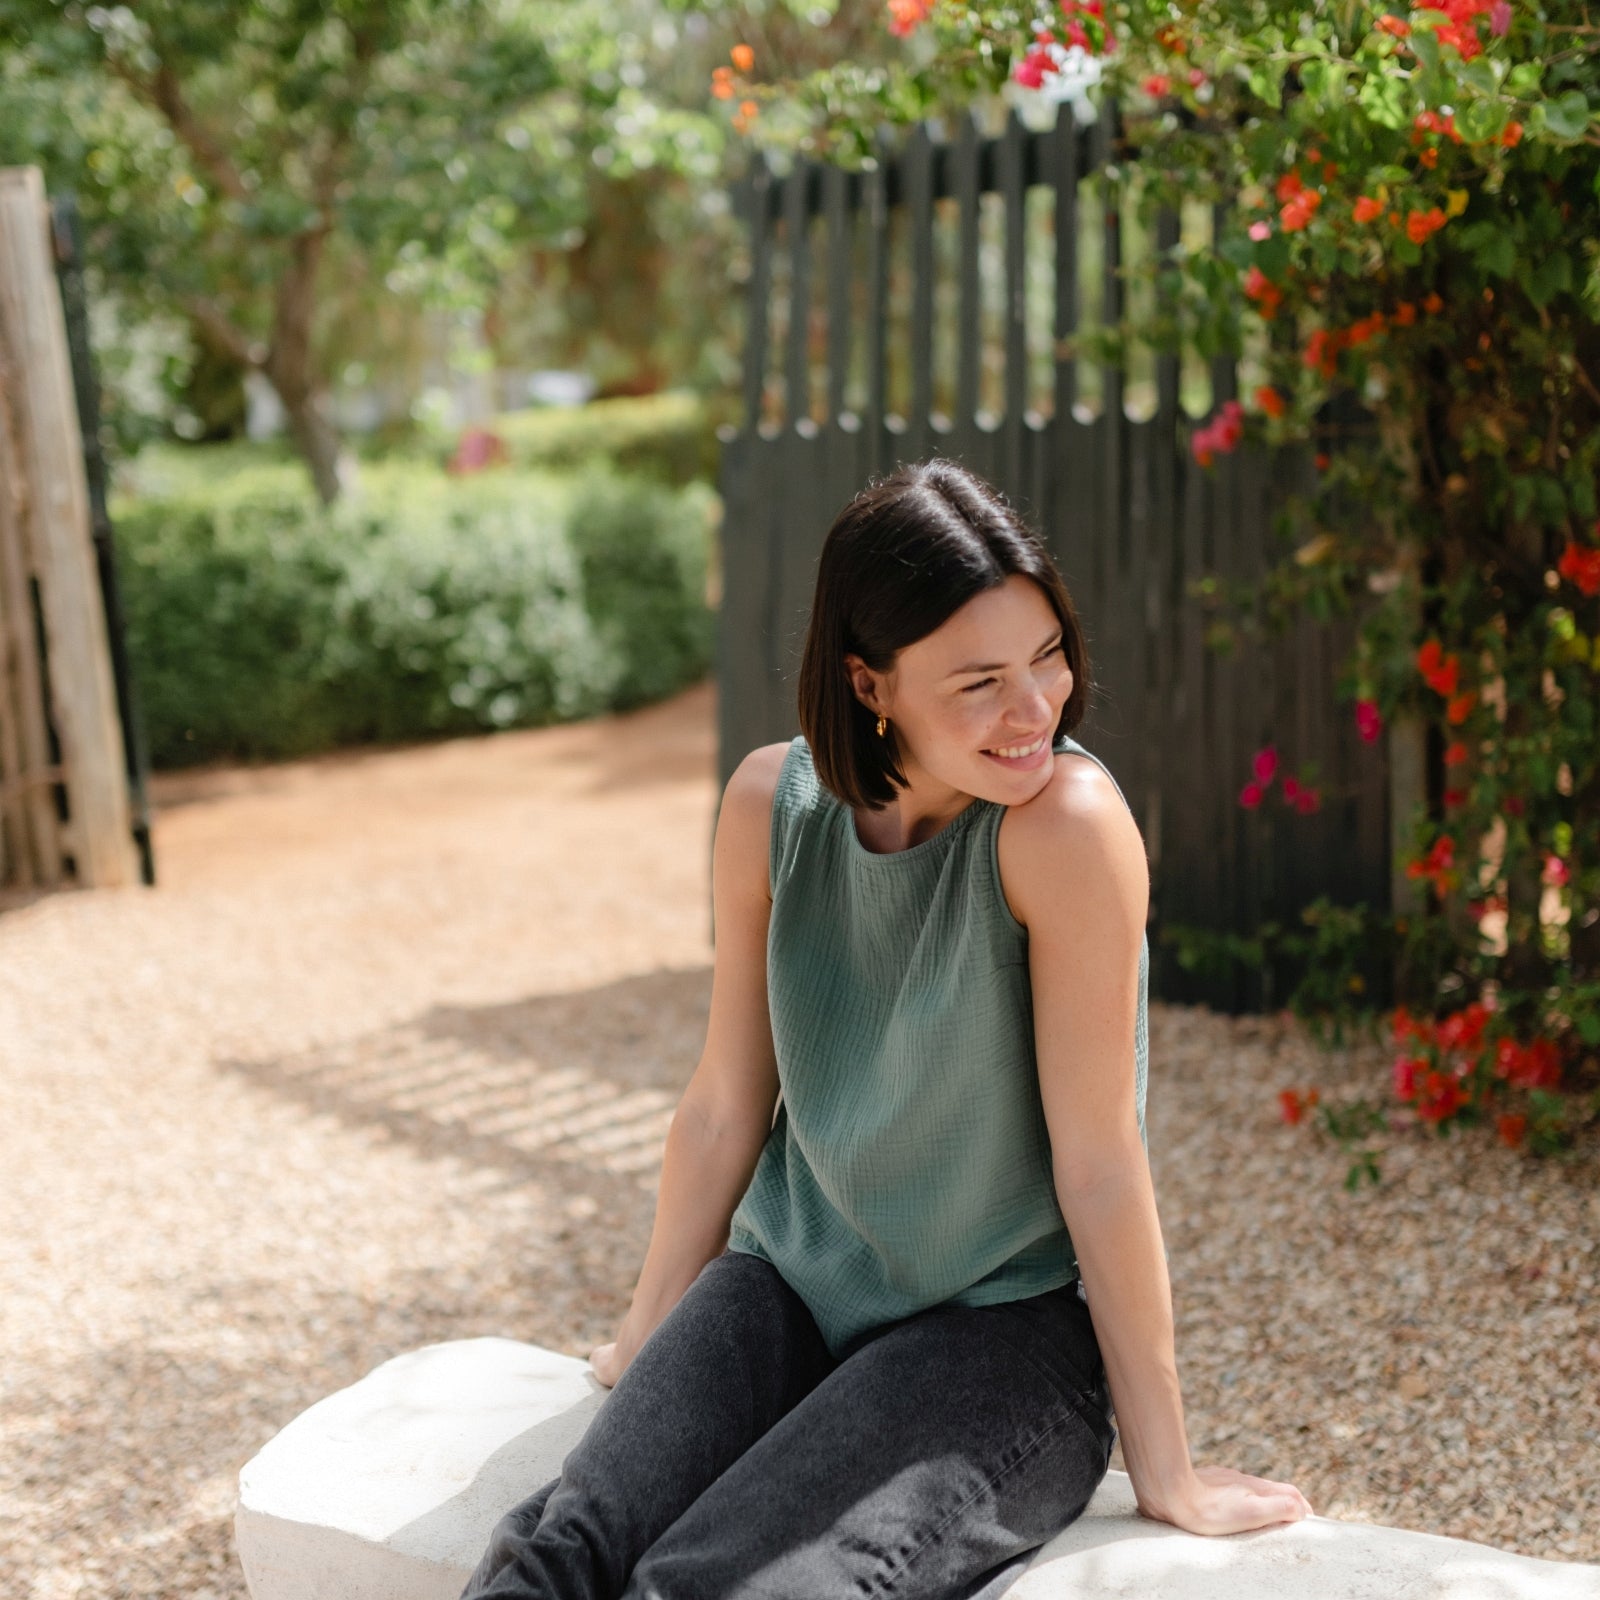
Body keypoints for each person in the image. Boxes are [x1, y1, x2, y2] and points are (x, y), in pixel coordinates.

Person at [461, 459, 1311, 1600]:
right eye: (980, 682)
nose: (1035, 709)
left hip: (995, 1339)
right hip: (785, 1290)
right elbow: (723, 1104)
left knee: (713, 1586)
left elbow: (1102, 1162)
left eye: (1047, 656)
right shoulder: (769, 806)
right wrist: (645, 1341)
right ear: (871, 683)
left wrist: (1169, 1469)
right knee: (560, 1549)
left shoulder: (1063, 828)